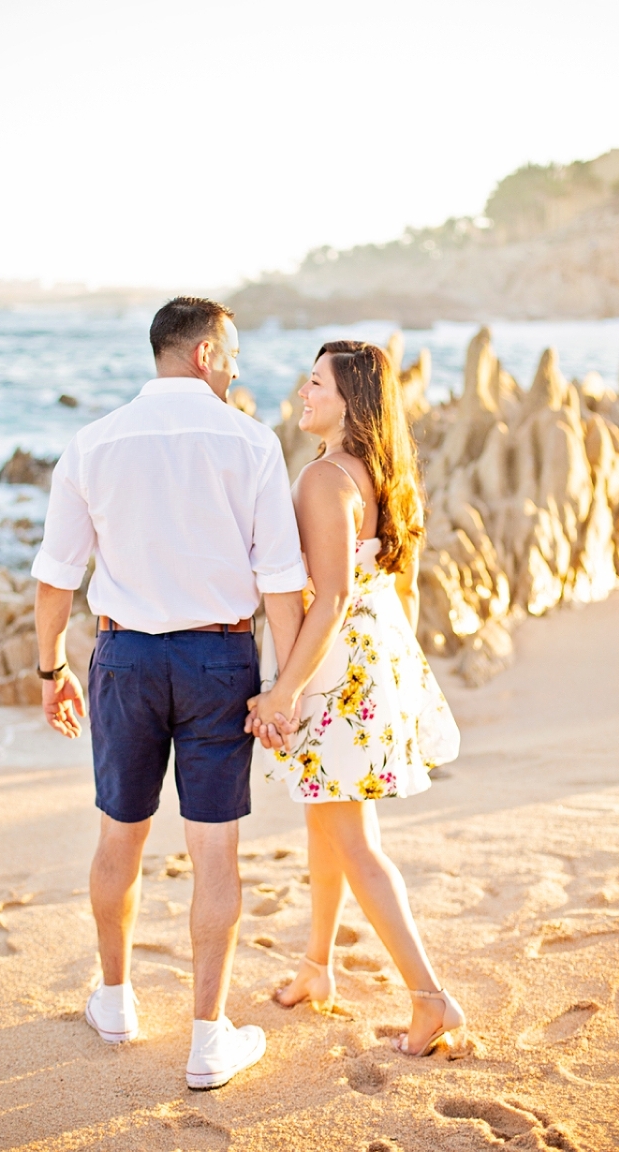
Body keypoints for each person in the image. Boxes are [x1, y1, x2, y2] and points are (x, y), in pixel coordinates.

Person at [32, 297, 306, 1088]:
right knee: (214, 848)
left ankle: (115, 1002)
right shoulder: (250, 441)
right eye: (235, 354)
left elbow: (56, 579)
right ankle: (207, 1041)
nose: (239, 368)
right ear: (205, 355)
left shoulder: (93, 443)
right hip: (220, 661)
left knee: (121, 834)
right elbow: (281, 586)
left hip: (123, 660)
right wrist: (283, 686)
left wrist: (50, 672)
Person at [247, 340, 464, 1057]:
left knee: (355, 843)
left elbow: (330, 596)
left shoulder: (321, 479)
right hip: (370, 659)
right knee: (326, 822)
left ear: (349, 401)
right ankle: (318, 966)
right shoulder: (368, 471)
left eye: (315, 383)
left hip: (335, 670)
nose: (301, 392)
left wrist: (284, 689)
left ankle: (431, 1000)